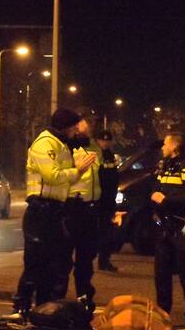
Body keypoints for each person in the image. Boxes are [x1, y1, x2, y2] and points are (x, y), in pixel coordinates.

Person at [12, 109, 96, 316]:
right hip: (40, 210)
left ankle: (44, 308)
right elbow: (52, 176)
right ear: (64, 126)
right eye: (74, 126)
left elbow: (66, 180)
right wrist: (78, 170)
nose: (76, 130)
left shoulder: (61, 145)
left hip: (55, 210)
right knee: (35, 262)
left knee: (55, 263)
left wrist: (77, 172)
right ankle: (21, 306)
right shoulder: (45, 143)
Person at [149, 132, 185, 330]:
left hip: (180, 226)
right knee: (161, 274)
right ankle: (163, 314)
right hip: (163, 226)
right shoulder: (163, 166)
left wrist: (166, 200)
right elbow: (154, 189)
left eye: (165, 144)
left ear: (174, 147)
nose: (162, 147)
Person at [64, 114, 101, 311]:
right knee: (64, 258)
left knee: (86, 259)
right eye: (88, 121)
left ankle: (85, 297)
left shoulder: (94, 146)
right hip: (73, 206)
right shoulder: (68, 146)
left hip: (91, 207)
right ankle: (58, 298)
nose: (91, 125)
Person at [95, 129, 121, 272]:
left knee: (107, 231)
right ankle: (99, 258)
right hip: (97, 198)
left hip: (108, 199)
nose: (105, 143)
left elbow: (114, 177)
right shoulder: (95, 155)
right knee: (96, 231)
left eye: (107, 140)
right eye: (102, 140)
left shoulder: (111, 156)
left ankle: (104, 260)